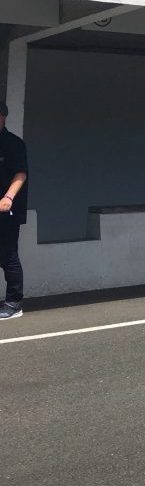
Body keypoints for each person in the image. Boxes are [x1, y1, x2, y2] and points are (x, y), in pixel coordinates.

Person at [0, 100, 29, 321]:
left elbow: (21, 174)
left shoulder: (13, 144)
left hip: (7, 211)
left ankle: (14, 302)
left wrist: (8, 197)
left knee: (8, 255)